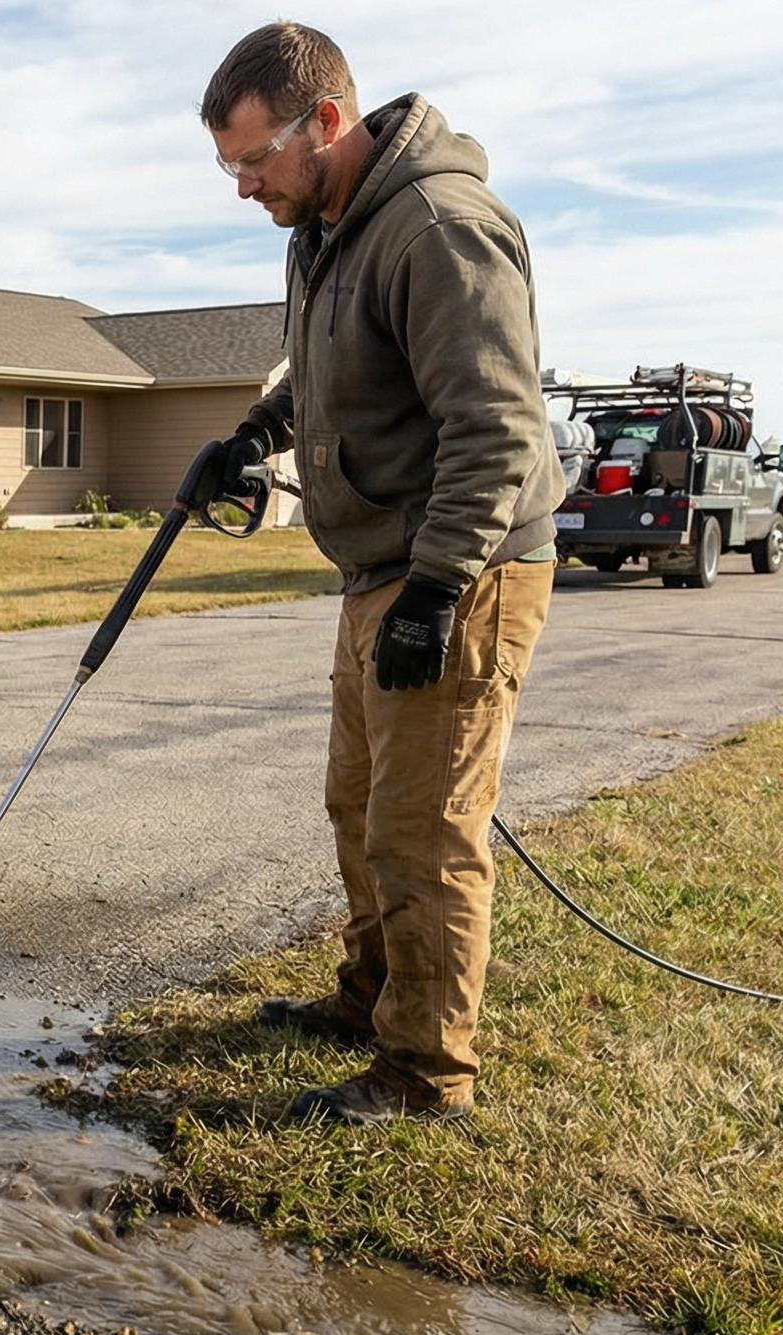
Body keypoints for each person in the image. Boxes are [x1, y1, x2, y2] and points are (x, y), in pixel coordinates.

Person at [200, 22, 562, 1123]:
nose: (243, 186)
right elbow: (325, 370)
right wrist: (259, 430)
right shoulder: (324, 227)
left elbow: (495, 427)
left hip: (462, 568)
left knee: (422, 828)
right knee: (356, 805)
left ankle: (423, 1070)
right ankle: (367, 999)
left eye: (253, 159)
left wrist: (440, 587)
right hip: (379, 566)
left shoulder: (440, 227)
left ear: (325, 122)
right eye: (228, 167)